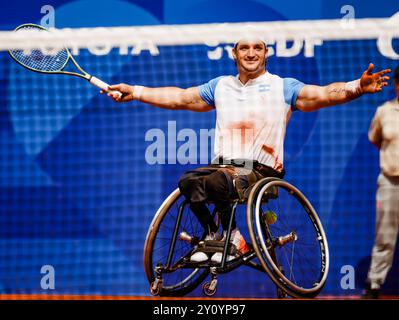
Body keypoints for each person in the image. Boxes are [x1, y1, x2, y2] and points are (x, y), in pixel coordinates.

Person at [103, 37, 390, 263]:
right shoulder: (221, 86)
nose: (251, 53)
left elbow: (324, 93)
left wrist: (357, 87)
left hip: (261, 170)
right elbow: (180, 97)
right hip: (223, 167)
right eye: (244, 48)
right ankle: (217, 233)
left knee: (218, 181)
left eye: (257, 48)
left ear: (266, 54)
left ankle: (233, 237)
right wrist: (136, 91)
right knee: (188, 182)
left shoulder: (282, 87)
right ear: (234, 54)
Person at [362, 66, 399, 299]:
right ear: (396, 85)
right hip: (390, 182)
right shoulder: (384, 112)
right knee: (384, 237)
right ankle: (373, 286)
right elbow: (375, 138)